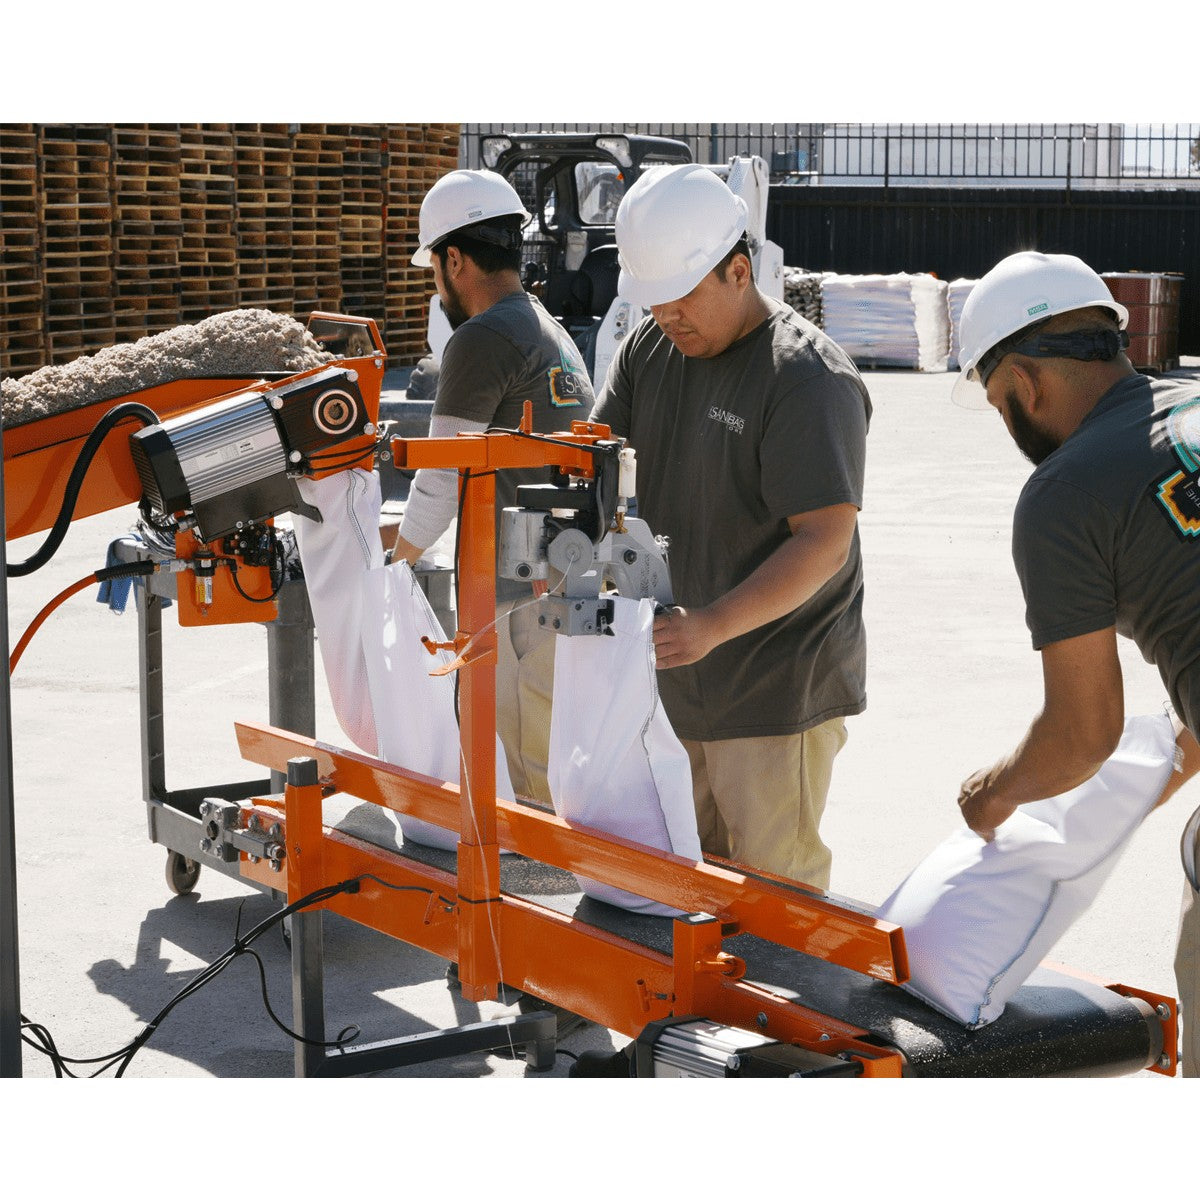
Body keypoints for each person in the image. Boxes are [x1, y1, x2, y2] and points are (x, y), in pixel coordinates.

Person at [952, 249, 1200, 1074]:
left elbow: (1081, 731)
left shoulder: (1066, 491)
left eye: (997, 404)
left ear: (1024, 383)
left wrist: (991, 799)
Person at [590, 163, 871, 891]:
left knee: (774, 892)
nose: (665, 319)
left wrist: (713, 623)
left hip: (774, 686)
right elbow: (589, 460)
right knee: (689, 885)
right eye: (652, 304)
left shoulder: (805, 379)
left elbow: (824, 542)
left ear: (739, 272)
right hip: (680, 678)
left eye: (680, 300)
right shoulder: (652, 349)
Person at [391, 169, 594, 806]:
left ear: (454, 258)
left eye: (433, 267)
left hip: (518, 599)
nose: (435, 283)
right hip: (570, 576)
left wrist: (390, 569)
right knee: (554, 756)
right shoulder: (545, 327)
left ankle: (521, 897)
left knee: (525, 775)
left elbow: (442, 476)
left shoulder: (481, 339)